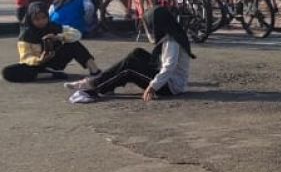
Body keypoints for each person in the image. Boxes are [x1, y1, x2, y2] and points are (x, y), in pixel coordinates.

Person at [64, 7, 196, 104]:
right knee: (136, 54)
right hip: (167, 80)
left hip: (169, 87)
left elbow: (169, 67)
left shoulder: (171, 41)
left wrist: (152, 87)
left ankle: (94, 89)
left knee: (129, 70)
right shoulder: (171, 34)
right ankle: (102, 81)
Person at [2, 2, 101, 82]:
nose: (41, 21)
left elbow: (77, 34)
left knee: (73, 43)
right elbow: (25, 57)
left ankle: (95, 71)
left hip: (55, 61)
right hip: (36, 65)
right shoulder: (26, 34)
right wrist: (40, 59)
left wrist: (58, 37)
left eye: (44, 18)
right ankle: (47, 75)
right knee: (7, 72)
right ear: (30, 19)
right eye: (37, 19)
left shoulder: (53, 26)